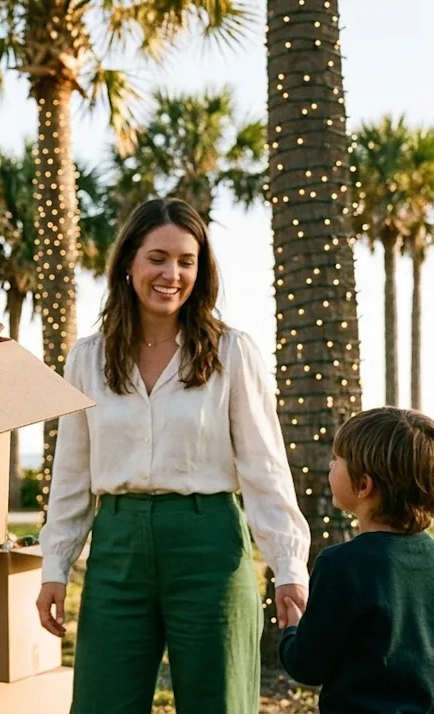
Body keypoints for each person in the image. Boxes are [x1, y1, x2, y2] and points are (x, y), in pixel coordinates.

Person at [36, 197, 312, 714]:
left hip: (209, 546)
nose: (172, 274)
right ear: (128, 264)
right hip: (116, 549)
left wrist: (289, 566)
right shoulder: (88, 358)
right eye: (158, 258)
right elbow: (71, 472)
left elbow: (265, 468)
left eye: (188, 261)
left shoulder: (232, 352)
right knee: (101, 704)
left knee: (219, 704)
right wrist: (55, 566)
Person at [279, 407, 434, 713]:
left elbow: (308, 665)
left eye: (338, 459)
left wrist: (293, 630)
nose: (330, 464)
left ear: (364, 485)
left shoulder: (340, 565)